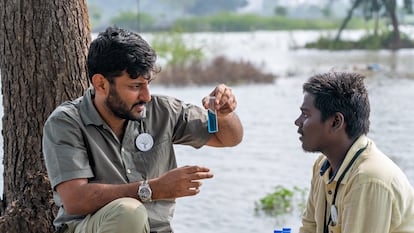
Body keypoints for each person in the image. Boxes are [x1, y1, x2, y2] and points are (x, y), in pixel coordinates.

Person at [42, 26, 243, 233]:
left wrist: (222, 114)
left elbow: (228, 138)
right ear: (101, 84)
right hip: (89, 228)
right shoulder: (66, 122)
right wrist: (153, 189)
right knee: (128, 212)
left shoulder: (163, 110)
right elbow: (76, 199)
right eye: (135, 86)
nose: (146, 96)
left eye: (148, 84)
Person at [295, 72, 414, 233]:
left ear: (336, 122)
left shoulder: (368, 179)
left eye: (306, 114)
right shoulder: (323, 166)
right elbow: (309, 228)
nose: (297, 122)